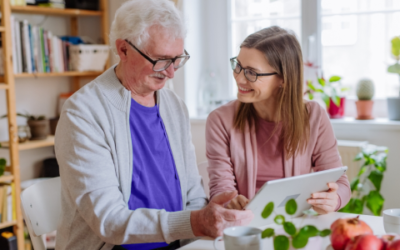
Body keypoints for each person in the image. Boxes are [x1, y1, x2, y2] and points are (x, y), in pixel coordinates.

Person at [54, 1, 253, 249]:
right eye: (160, 60)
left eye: (177, 59)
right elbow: (109, 221)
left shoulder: (174, 106)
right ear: (123, 50)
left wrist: (205, 222)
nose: (170, 73)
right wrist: (195, 223)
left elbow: (192, 193)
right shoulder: (83, 113)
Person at [206, 26, 351, 214]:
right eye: (238, 66)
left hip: (294, 226)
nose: (239, 78)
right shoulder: (220, 120)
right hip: (244, 229)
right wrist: (229, 202)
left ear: (282, 78)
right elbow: (220, 188)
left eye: (251, 72)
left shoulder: (314, 116)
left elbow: (340, 183)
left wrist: (334, 199)